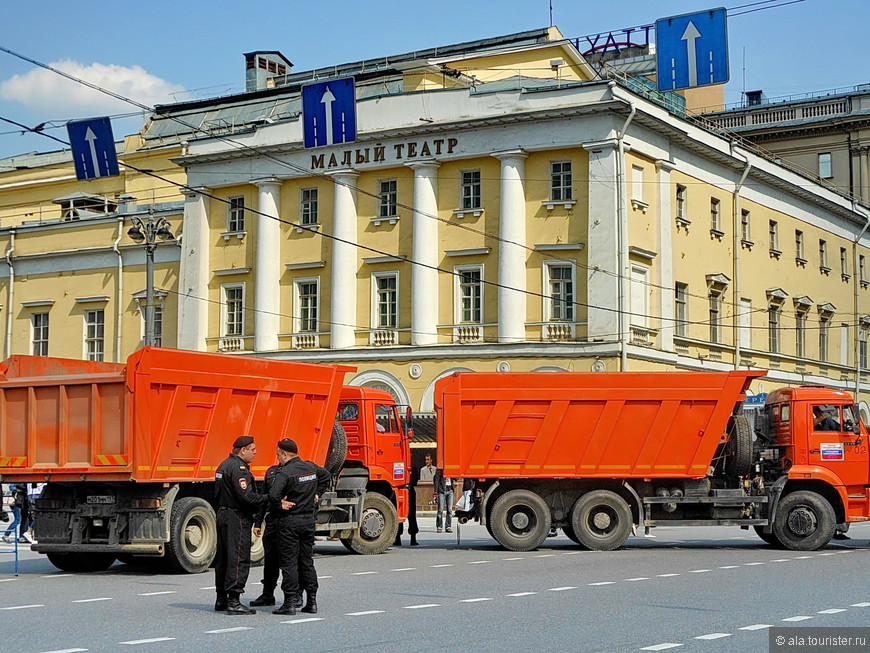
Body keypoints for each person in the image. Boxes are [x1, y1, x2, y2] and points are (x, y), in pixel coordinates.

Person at [268, 438, 331, 616]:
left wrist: (280, 504)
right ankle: (311, 601)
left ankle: (289, 602)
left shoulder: (285, 472)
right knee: (306, 561)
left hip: (290, 521)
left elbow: (273, 495)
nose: (277, 458)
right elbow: (326, 476)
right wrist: (317, 493)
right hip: (308, 520)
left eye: (278, 455)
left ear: (285, 454)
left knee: (289, 563)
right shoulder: (310, 467)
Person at [213, 435, 270, 615]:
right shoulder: (239, 469)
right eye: (252, 449)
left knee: (223, 559)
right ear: (243, 450)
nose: (255, 453)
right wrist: (268, 498)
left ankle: (221, 598)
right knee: (238, 558)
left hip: (223, 513)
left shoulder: (223, 465)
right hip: (236, 516)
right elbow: (246, 496)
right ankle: (234, 601)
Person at [394, 461, 419, 546]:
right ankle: (400, 538)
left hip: (406, 491)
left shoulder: (400, 466)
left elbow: (415, 480)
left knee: (410, 515)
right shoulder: (408, 467)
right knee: (402, 515)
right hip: (405, 490)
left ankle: (411, 537)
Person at [433, 467, 456, 533]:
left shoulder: (451, 468)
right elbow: (436, 480)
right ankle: (439, 526)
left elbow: (455, 478)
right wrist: (435, 491)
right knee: (440, 509)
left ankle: (448, 526)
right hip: (442, 490)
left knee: (450, 509)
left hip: (450, 490)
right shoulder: (439, 470)